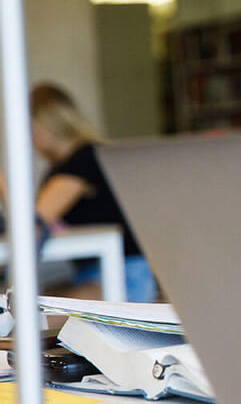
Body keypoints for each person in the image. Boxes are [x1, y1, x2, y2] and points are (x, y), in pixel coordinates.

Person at [3, 84, 155, 302]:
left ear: (44, 124)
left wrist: (3, 185)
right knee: (25, 305)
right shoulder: (65, 165)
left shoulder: (82, 161)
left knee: (29, 314)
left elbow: (33, 223)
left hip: (121, 275)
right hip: (94, 274)